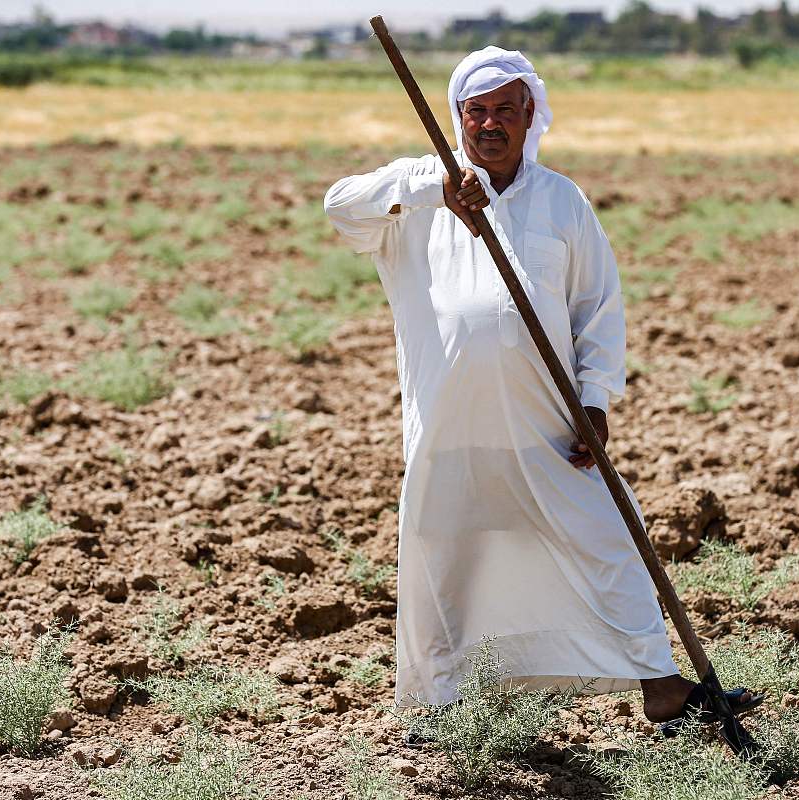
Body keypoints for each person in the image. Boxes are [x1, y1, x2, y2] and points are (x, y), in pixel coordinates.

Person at [324, 46, 762, 738]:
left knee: (609, 538)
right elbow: (340, 208)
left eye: (505, 110)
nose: (489, 124)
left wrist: (595, 403)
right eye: (476, 112)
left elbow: (597, 306)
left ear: (532, 116)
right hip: (449, 422)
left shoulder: (561, 200)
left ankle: (660, 685)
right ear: (458, 118)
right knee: (446, 557)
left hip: (545, 420)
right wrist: (439, 192)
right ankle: (435, 707)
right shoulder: (419, 183)